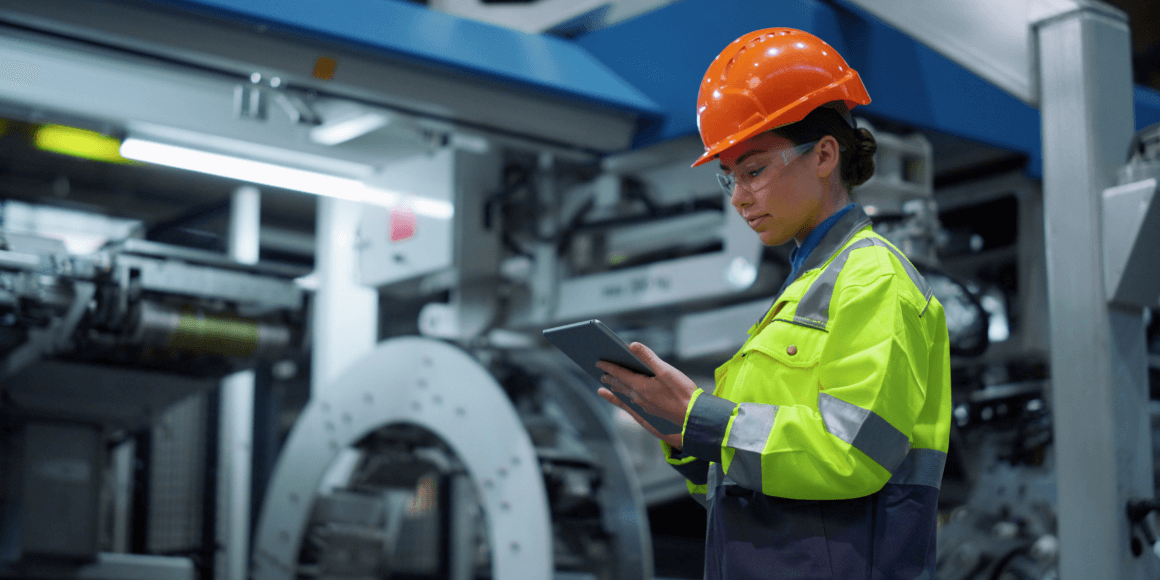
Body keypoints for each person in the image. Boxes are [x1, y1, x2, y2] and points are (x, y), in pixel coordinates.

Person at [595, 28, 951, 579]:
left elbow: (850, 454)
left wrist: (704, 421)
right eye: (729, 177)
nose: (738, 197)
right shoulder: (803, 292)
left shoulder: (870, 279)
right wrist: (686, 439)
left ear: (825, 155)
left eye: (754, 170)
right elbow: (757, 482)